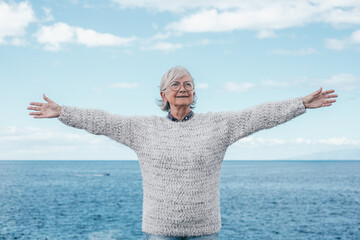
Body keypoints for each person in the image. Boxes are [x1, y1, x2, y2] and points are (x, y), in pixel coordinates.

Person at [27, 66, 337, 240]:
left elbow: (257, 116)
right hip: (160, 231)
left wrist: (299, 104)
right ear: (163, 94)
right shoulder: (141, 129)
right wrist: (63, 112)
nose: (183, 87)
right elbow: (103, 121)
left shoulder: (219, 125)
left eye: (189, 83)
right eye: (175, 84)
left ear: (194, 92)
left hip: (204, 230)